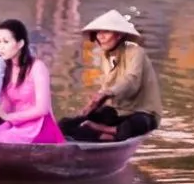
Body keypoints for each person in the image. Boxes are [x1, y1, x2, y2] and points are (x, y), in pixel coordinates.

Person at [59, 10, 162, 143]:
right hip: (118, 112)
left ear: (118, 35)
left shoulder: (136, 52)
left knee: (137, 124)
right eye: (98, 33)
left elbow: (131, 80)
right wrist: (91, 107)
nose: (100, 37)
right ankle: (104, 134)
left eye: (105, 32)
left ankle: (105, 132)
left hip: (142, 112)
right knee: (65, 124)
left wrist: (107, 92)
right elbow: (106, 88)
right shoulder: (105, 56)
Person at [0, 19, 63, 144]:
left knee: (3, 139)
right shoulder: (5, 68)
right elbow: (6, 106)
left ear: (20, 44)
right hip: (18, 124)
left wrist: (7, 117)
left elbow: (42, 109)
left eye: (6, 42)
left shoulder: (37, 67)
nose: (1, 46)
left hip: (40, 126)